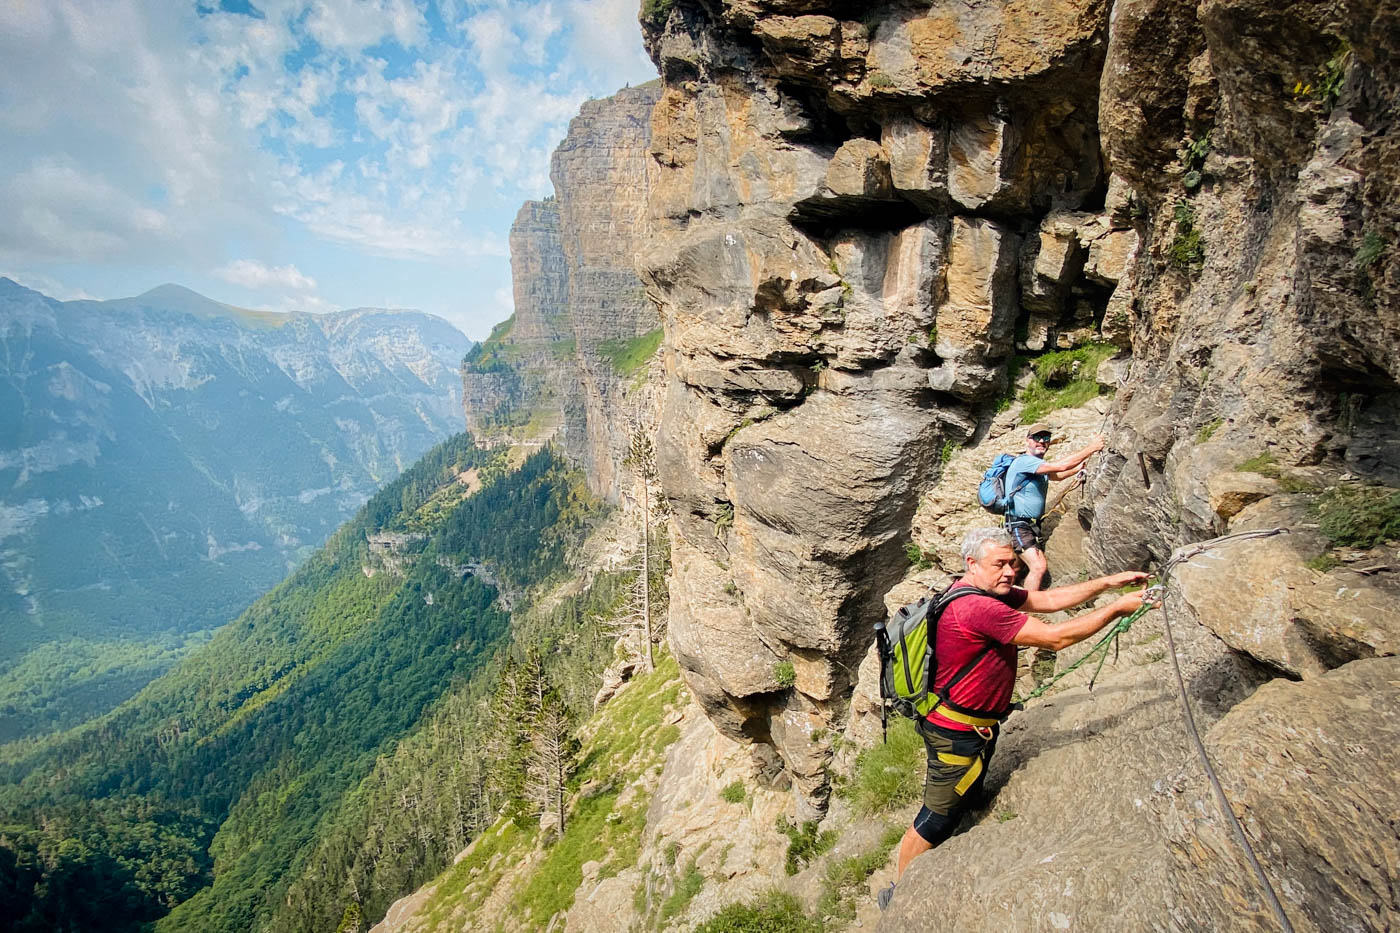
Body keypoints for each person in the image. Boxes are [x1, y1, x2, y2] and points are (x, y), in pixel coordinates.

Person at [877, 527, 1151, 911]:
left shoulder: (979, 590)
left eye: (1013, 564)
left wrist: (1107, 583)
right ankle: (899, 893)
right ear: (971, 564)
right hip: (956, 732)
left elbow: (1049, 599)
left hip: (965, 723)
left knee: (964, 794)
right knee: (935, 816)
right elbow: (1056, 638)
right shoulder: (979, 608)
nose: (1010, 572)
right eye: (999, 564)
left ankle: (966, 805)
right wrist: (1116, 608)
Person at [1002, 424, 1105, 591]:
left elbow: (1057, 475)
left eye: (1046, 439)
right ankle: (1028, 609)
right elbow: (1061, 466)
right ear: (1027, 441)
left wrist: (1079, 468)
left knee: (1015, 569)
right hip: (1018, 525)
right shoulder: (1025, 462)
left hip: (1028, 525)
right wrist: (1092, 448)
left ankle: (1008, 604)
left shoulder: (1037, 465)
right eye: (1037, 438)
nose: (1041, 441)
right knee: (1038, 567)